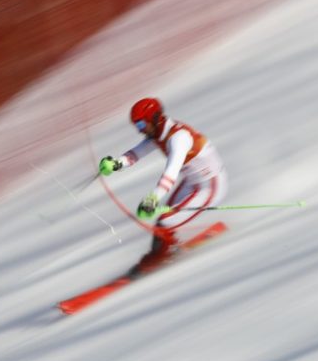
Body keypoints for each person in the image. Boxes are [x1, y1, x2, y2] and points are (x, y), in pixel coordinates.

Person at [98, 97, 228, 272]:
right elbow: (137, 153)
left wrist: (153, 198)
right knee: (162, 222)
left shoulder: (178, 138)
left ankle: (160, 258)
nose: (140, 131)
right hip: (191, 182)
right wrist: (116, 164)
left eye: (141, 126)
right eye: (137, 127)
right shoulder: (158, 133)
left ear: (154, 118)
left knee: (165, 222)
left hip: (210, 186)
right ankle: (165, 251)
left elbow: (171, 172)